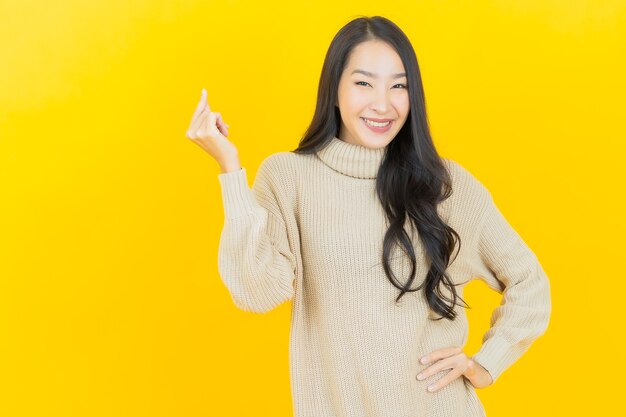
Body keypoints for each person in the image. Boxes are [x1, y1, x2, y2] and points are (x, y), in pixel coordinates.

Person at [185, 15, 551, 417]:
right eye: (363, 83)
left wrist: (485, 363)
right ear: (335, 91)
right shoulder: (289, 177)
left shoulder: (443, 185)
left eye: (399, 85)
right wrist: (229, 168)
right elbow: (255, 292)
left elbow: (529, 282)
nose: (383, 103)